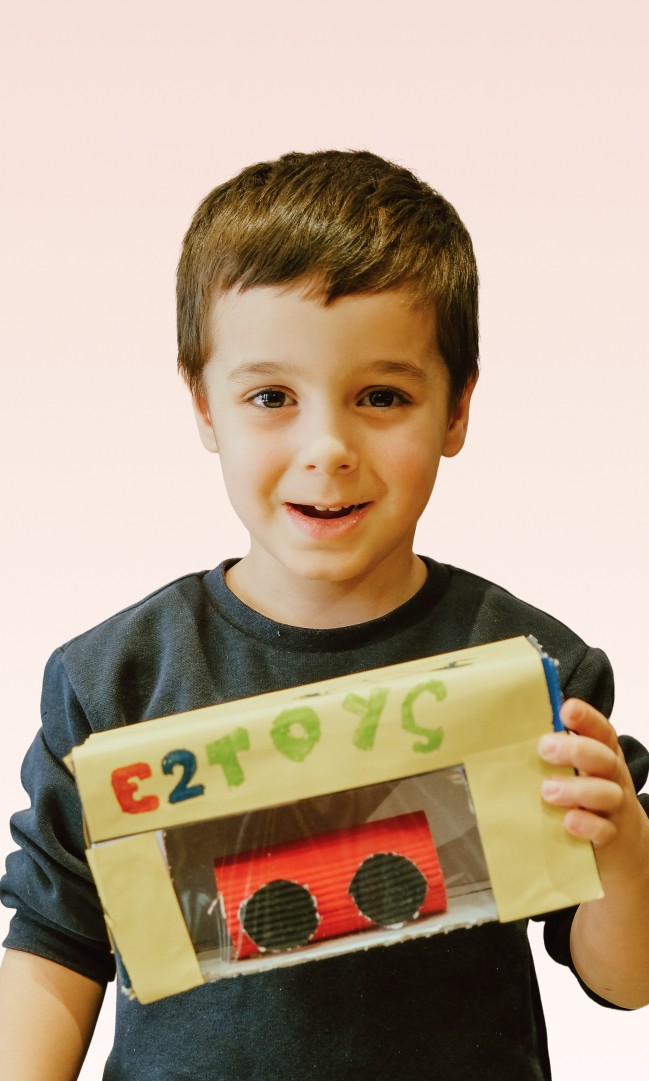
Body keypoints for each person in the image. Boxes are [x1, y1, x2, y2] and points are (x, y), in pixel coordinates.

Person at [1, 149, 648, 1080]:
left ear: (456, 409)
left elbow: (624, 980)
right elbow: (56, 942)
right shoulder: (115, 680)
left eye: (381, 396)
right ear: (205, 407)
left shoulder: (528, 666)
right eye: (271, 396)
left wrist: (623, 853)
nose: (327, 447)